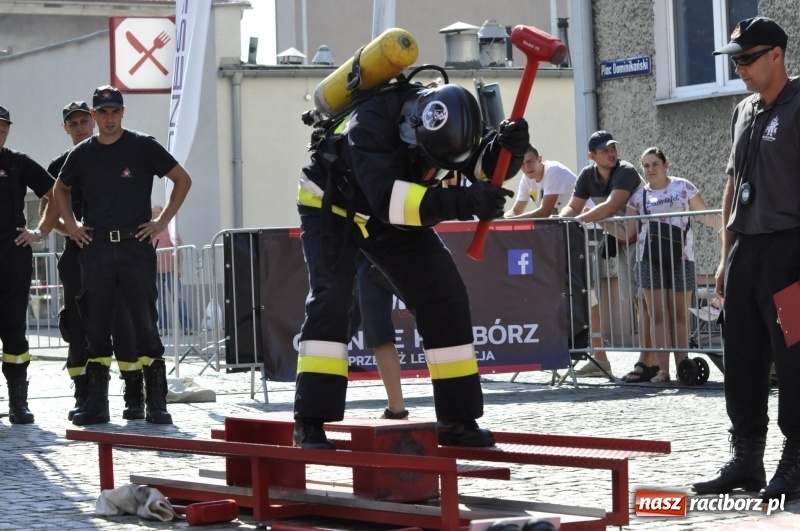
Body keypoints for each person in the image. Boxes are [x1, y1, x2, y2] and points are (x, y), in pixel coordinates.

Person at [293, 79, 527, 449]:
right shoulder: (368, 125)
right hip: (333, 208)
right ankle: (310, 422)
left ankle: (457, 421)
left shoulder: (452, 119)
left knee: (444, 296)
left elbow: (480, 165)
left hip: (390, 215)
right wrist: (465, 202)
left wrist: (508, 150)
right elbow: (390, 200)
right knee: (332, 298)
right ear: (413, 128)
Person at [693, 16, 800, 502]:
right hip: (746, 253)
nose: (740, 68)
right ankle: (746, 460)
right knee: (741, 360)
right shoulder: (743, 110)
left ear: (777, 54)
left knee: (795, 359)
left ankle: (797, 459)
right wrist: (723, 255)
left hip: (792, 250)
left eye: (748, 58)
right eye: (734, 60)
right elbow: (733, 183)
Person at [53, 85, 192, 425]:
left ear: (123, 112)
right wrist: (72, 226)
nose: (109, 118)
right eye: (103, 113)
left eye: (115, 111)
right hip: (96, 248)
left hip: (135, 247)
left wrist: (161, 222)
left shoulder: (142, 145)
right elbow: (59, 188)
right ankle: (97, 404)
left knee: (143, 322)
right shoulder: (83, 153)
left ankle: (155, 402)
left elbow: (182, 179)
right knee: (96, 324)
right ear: (95, 116)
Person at [47, 101, 144, 421]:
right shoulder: (61, 164)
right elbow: (47, 213)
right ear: (65, 129)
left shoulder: (113, 154)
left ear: (93, 121)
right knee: (78, 324)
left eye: (83, 121)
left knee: (123, 321)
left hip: (113, 251)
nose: (79, 128)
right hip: (78, 253)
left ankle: (134, 393)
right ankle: (85, 394)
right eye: (72, 124)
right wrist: (71, 230)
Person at [623, 147, 719, 383]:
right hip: (649, 259)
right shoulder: (638, 197)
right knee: (657, 316)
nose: (650, 169)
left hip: (682, 257)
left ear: (667, 165)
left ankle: (682, 367)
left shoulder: (683, 187)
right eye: (645, 165)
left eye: (655, 164)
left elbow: (705, 215)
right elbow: (628, 231)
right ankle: (663, 370)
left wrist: (727, 224)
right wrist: (599, 222)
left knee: (679, 315)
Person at [559, 130, 645, 376]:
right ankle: (601, 359)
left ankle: (647, 361)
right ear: (592, 155)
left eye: (613, 148)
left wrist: (576, 222)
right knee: (632, 300)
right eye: (605, 150)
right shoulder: (587, 175)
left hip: (642, 239)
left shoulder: (626, 171)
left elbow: (611, 206)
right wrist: (558, 222)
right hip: (622, 238)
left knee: (645, 302)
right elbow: (572, 207)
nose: (611, 153)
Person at [0, 104, 60, 424]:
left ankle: (18, 402)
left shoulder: (17, 163)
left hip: (11, 256)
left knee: (13, 329)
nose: (0, 133)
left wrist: (39, 230)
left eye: (3, 128)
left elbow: (55, 191)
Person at [354, 255, 407, 419]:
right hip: (399, 249)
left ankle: (397, 410)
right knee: (379, 334)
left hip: (368, 255)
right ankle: (397, 410)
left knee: (379, 334)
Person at [504, 144, 577, 219]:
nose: (526, 167)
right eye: (521, 164)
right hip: (564, 226)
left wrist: (513, 220)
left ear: (539, 159)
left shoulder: (553, 170)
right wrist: (498, 220)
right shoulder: (526, 178)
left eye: (530, 161)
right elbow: (515, 211)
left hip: (584, 225)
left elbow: (545, 211)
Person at [152, 204, 192, 336]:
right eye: (153, 212)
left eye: (157, 212)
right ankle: (163, 328)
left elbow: (178, 247)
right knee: (160, 301)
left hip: (171, 270)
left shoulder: (169, 228)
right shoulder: (151, 230)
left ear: (162, 213)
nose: (155, 215)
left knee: (178, 298)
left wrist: (179, 267)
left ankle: (187, 326)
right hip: (156, 271)